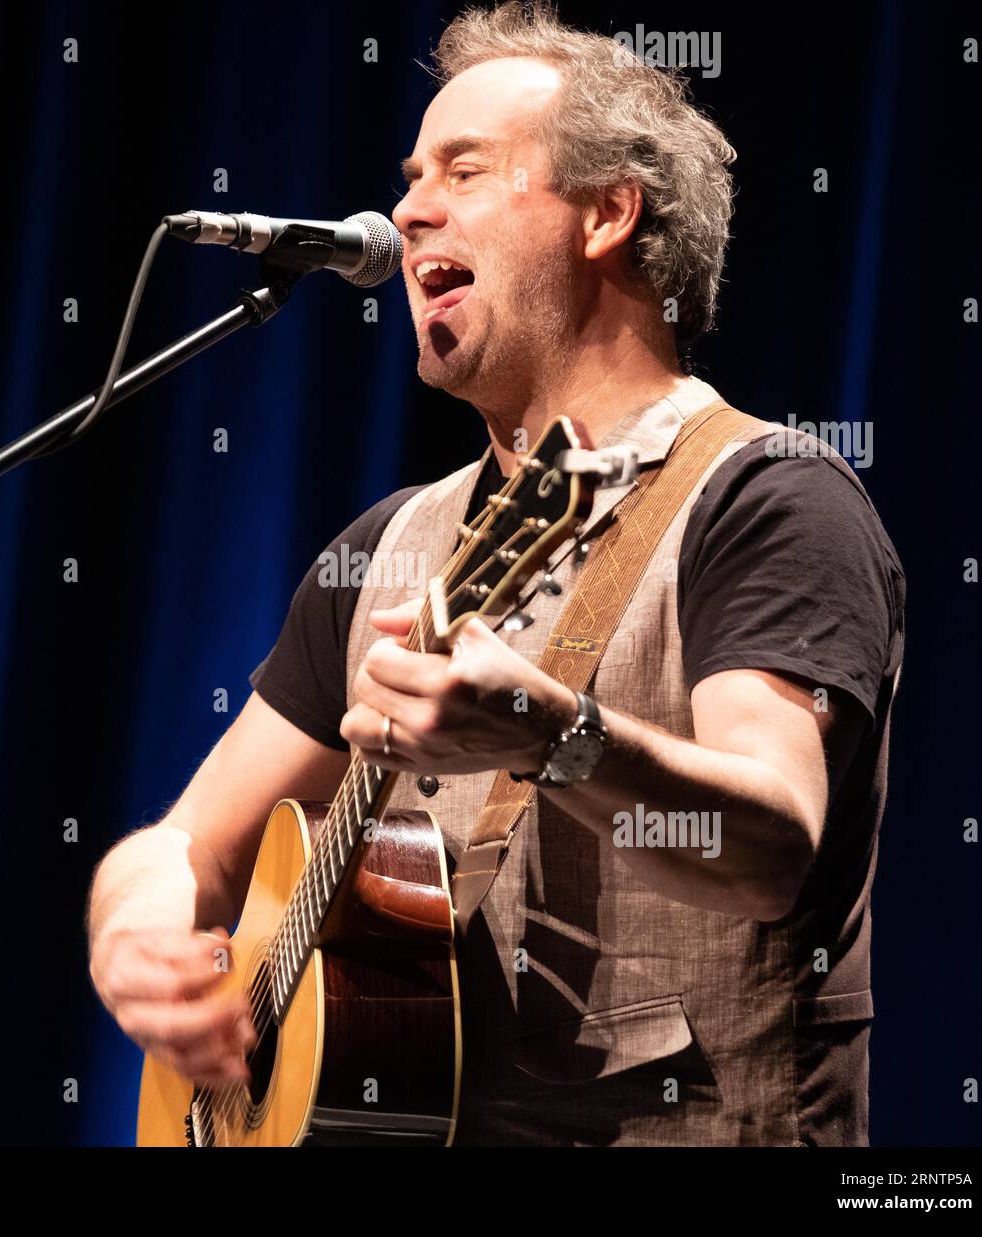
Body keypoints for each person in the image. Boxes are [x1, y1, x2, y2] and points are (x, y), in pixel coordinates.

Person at [87, 0, 905, 1146]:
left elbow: (773, 844)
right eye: (412, 173)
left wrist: (549, 733)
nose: (407, 206)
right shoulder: (386, 548)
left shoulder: (769, 500)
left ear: (607, 213)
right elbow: (182, 844)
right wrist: (137, 931)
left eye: (463, 171)